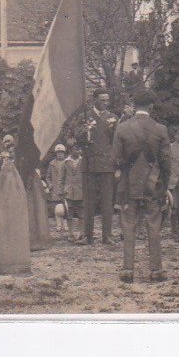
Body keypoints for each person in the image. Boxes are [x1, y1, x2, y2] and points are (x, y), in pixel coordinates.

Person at [111, 89, 172, 283]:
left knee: (129, 226)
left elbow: (116, 160)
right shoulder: (161, 129)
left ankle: (128, 269)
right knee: (153, 226)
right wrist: (164, 185)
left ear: (134, 106)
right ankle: (156, 270)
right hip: (153, 185)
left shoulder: (122, 128)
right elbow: (166, 162)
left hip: (129, 185)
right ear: (151, 107)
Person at [77, 88, 118, 244]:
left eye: (107, 100)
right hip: (89, 163)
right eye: (102, 100)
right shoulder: (85, 116)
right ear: (94, 100)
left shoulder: (113, 118)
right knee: (89, 201)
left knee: (107, 201)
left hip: (107, 164)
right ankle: (87, 235)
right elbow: (77, 138)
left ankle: (107, 235)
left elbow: (117, 141)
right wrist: (85, 131)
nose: (105, 103)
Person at [59, 142, 85, 242]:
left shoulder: (83, 161)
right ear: (70, 150)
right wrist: (61, 191)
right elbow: (61, 178)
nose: (78, 151)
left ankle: (81, 233)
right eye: (76, 149)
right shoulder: (66, 162)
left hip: (80, 190)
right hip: (69, 191)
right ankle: (70, 233)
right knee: (69, 212)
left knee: (81, 212)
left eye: (79, 149)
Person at [46, 144, 68, 233]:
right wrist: (49, 184)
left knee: (66, 206)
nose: (60, 154)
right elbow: (47, 176)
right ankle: (58, 224)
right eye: (58, 153)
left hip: (64, 187)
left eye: (62, 153)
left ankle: (65, 224)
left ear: (64, 153)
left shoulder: (67, 162)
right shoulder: (52, 164)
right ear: (56, 153)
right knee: (57, 207)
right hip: (55, 187)